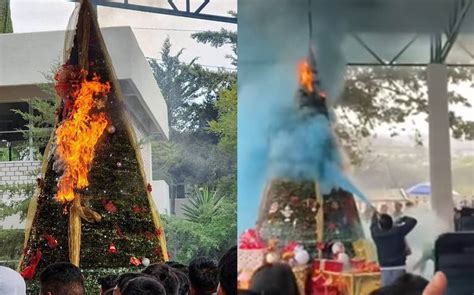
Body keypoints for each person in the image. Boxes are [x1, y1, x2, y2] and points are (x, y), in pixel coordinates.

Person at [370, 211, 417, 287]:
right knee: (399, 291)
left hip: (384, 268)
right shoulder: (398, 231)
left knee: (385, 291)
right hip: (399, 266)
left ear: (380, 226)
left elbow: (373, 224)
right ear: (392, 223)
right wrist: (402, 219)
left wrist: (374, 215)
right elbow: (413, 221)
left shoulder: (376, 234)